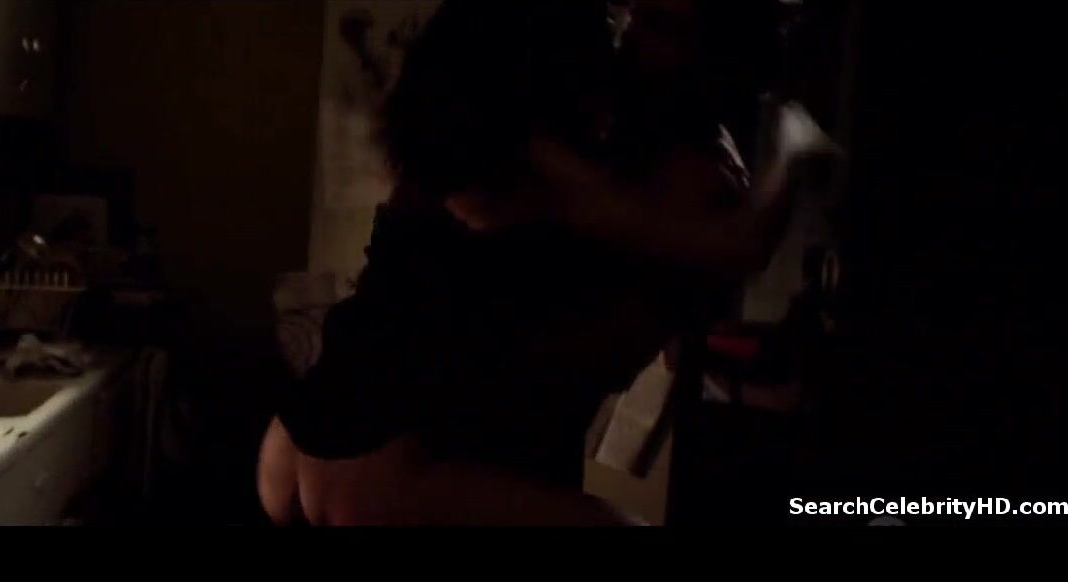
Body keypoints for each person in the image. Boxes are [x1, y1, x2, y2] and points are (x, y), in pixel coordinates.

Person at [258, 0, 797, 526]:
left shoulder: (473, 147)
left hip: (304, 441)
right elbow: (737, 246)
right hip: (373, 466)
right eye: (625, 19)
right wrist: (797, 147)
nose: (627, 31)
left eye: (651, 20)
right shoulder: (543, 168)